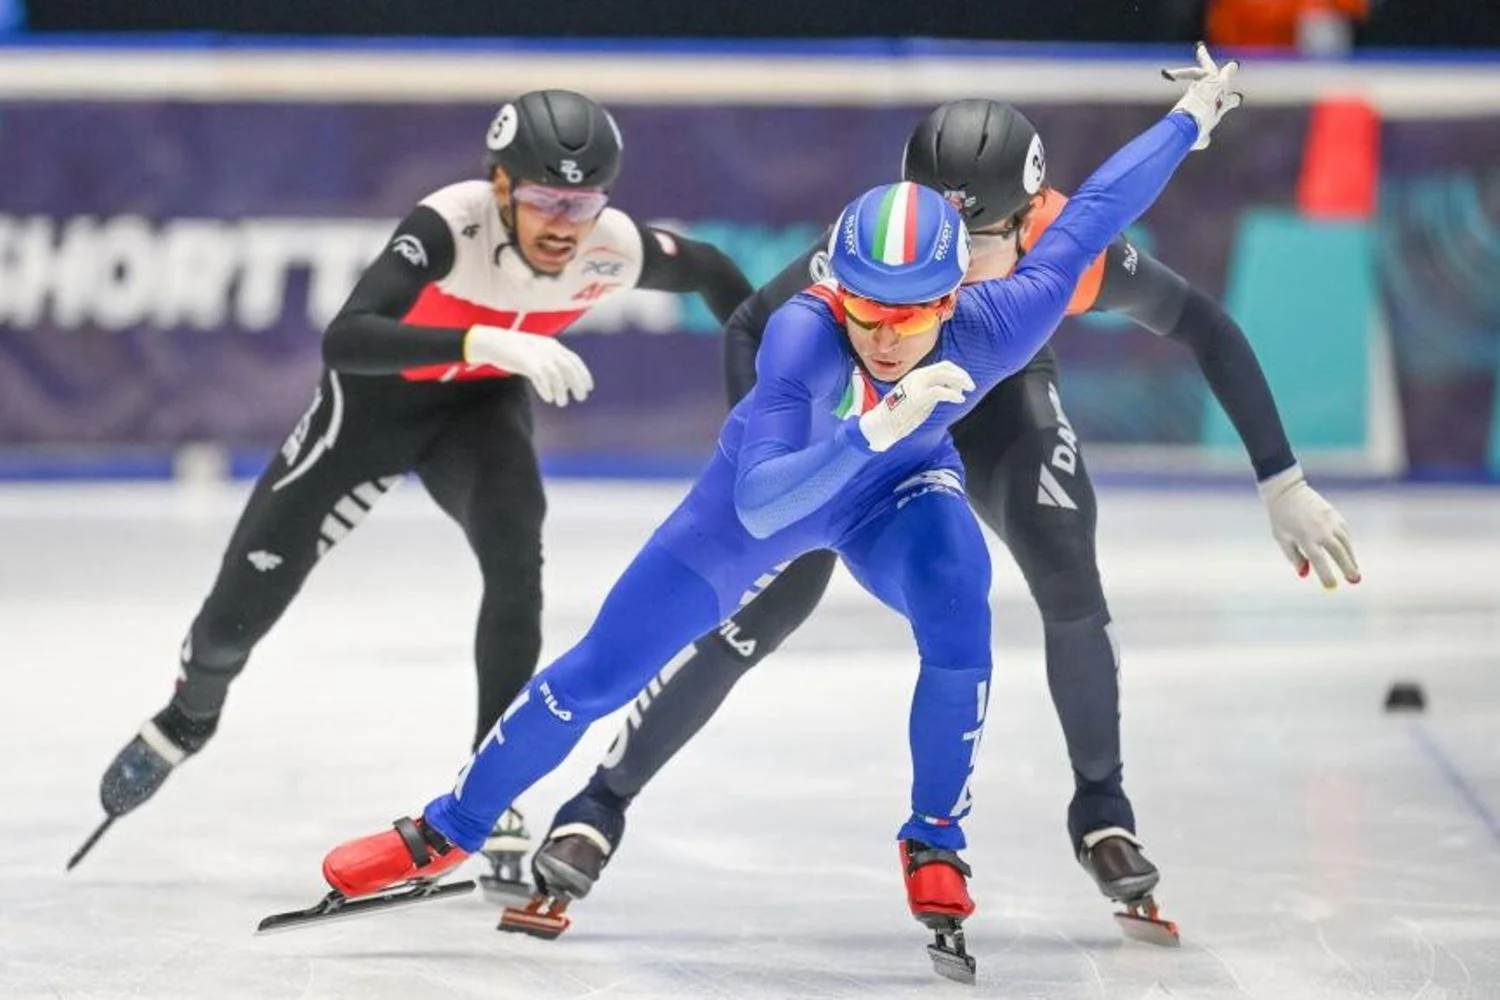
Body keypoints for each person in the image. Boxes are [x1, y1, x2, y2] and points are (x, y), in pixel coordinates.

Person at [291, 46, 1245, 980]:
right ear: (837, 286)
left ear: (959, 296)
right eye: (865, 309)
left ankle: (935, 837)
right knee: (596, 674)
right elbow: (761, 499)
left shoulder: (1010, 315)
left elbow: (1101, 208)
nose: (882, 335)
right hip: (766, 502)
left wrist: (1189, 121)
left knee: (964, 607)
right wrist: (874, 430)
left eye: (910, 318)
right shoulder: (804, 334)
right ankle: (443, 830)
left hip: (894, 496)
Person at [527, 96, 1362, 923]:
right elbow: (750, 325)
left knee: (1066, 567)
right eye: (943, 244)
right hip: (863, 417)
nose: (951, 270)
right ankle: (600, 804)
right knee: (761, 608)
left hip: (988, 390)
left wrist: (1281, 481)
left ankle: (1103, 809)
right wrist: (781, 468)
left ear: (1032, 220)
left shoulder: (1071, 247)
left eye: (981, 247)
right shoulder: (886, 254)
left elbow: (1206, 326)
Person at [76, 90, 755, 887]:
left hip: (479, 412)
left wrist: (775, 392)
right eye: (544, 199)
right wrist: (483, 336)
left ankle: (488, 785)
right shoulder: (448, 224)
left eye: (582, 200)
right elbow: (347, 338)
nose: (564, 223)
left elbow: (719, 280)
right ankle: (189, 715)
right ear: (501, 189)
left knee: (517, 559)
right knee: (232, 621)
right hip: (373, 412)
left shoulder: (613, 245)